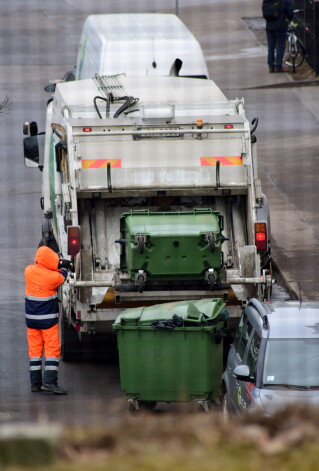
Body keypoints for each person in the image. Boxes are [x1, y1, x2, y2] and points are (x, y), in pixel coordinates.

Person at [24, 246, 71, 394]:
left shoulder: (28, 271)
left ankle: (35, 383)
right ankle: (50, 382)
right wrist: (63, 265)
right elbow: (63, 275)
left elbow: (45, 268)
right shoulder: (53, 278)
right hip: (48, 321)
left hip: (32, 321)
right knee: (52, 350)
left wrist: (54, 263)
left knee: (35, 351)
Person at [264, 0, 294, 73]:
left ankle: (271, 66)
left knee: (271, 47)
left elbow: (265, 12)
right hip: (281, 25)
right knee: (280, 46)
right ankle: (278, 66)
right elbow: (290, 12)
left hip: (269, 25)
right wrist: (288, 19)